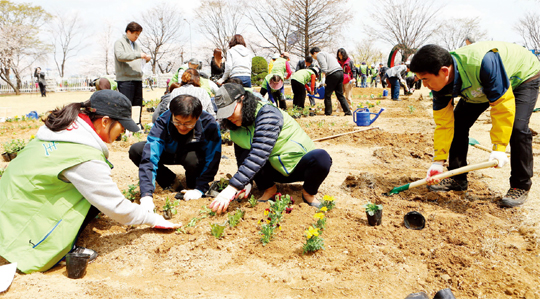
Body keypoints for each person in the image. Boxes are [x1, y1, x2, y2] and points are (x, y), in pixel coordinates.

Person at [0, 90, 180, 274]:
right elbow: (115, 206)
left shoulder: (65, 129)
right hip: (22, 222)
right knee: (90, 199)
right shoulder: (81, 152)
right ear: (105, 121)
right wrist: (152, 218)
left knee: (90, 197)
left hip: (10, 204)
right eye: (122, 126)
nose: (123, 133)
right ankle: (60, 251)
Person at [410, 42, 540, 207]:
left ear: (444, 71)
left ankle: (519, 186)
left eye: (426, 79)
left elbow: (502, 107)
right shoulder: (440, 85)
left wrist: (499, 148)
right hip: (481, 86)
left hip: (522, 75)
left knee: (517, 129)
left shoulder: (483, 63)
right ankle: (457, 179)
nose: (425, 86)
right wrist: (438, 161)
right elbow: (444, 124)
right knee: (457, 124)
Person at [209, 83, 333, 214]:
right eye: (225, 114)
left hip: (298, 166)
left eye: (230, 110)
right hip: (273, 170)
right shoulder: (236, 128)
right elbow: (243, 158)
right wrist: (247, 183)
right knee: (249, 154)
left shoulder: (267, 114)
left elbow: (259, 153)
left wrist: (232, 188)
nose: (229, 117)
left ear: (243, 100)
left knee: (321, 158)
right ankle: (269, 189)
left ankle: (308, 193)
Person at [129, 94, 221, 203]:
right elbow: (150, 155)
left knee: (193, 163)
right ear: (172, 114)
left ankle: (193, 183)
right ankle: (170, 182)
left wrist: (200, 188)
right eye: (177, 121)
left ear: (197, 117)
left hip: (191, 156)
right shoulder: (163, 120)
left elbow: (213, 156)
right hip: (168, 152)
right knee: (137, 150)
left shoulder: (208, 123)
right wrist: (146, 194)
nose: (182, 127)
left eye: (187, 124)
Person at [114, 21, 151, 128]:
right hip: (125, 79)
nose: (137, 37)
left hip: (137, 78)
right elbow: (120, 56)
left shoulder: (136, 45)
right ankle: (125, 126)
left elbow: (138, 59)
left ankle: (136, 125)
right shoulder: (119, 43)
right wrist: (139, 54)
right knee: (127, 104)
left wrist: (146, 59)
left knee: (137, 104)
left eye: (138, 34)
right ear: (128, 32)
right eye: (135, 34)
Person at [309, 47, 351, 116]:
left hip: (333, 74)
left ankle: (328, 112)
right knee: (340, 94)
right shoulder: (326, 54)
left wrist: (323, 80)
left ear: (314, 53)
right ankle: (348, 111)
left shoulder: (319, 55)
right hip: (340, 73)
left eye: (312, 56)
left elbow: (324, 67)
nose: (313, 58)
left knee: (327, 94)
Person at [336, 48, 355, 113]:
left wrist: (353, 78)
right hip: (339, 80)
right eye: (338, 55)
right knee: (339, 95)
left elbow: (353, 70)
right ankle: (339, 108)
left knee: (348, 96)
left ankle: (349, 108)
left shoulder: (350, 61)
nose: (340, 56)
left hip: (348, 80)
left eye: (341, 55)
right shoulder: (337, 62)